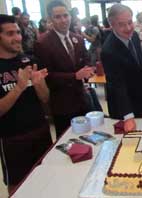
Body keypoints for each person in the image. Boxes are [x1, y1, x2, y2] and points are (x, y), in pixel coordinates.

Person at [0, 14, 52, 192]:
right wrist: (20, 86)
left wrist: (39, 85)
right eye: (10, 34)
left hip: (40, 130)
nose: (18, 38)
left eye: (18, 32)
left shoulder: (30, 60)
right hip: (12, 138)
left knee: (45, 176)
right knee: (18, 186)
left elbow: (45, 98)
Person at [34, 1, 94, 138]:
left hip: (81, 100)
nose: (63, 20)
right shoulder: (42, 43)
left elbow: (86, 60)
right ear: (50, 19)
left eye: (66, 15)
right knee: (67, 142)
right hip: (62, 104)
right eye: (58, 17)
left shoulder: (77, 38)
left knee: (87, 137)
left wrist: (90, 69)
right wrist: (74, 76)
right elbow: (47, 76)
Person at [101, 4, 142, 132]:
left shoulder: (134, 36)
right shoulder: (108, 50)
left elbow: (140, 67)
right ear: (112, 25)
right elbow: (117, 85)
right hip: (122, 107)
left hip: (139, 98)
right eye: (121, 24)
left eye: (129, 22)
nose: (128, 28)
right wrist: (128, 116)